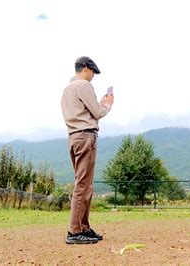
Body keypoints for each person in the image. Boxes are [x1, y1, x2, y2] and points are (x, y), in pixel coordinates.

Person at [61, 56, 114, 244]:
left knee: (85, 184)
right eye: (92, 71)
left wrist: (97, 103)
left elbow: (84, 111)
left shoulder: (67, 89)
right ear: (85, 68)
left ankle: (84, 227)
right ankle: (74, 231)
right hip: (85, 136)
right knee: (83, 184)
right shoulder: (83, 86)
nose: (93, 75)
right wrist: (107, 103)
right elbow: (98, 113)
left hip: (74, 137)